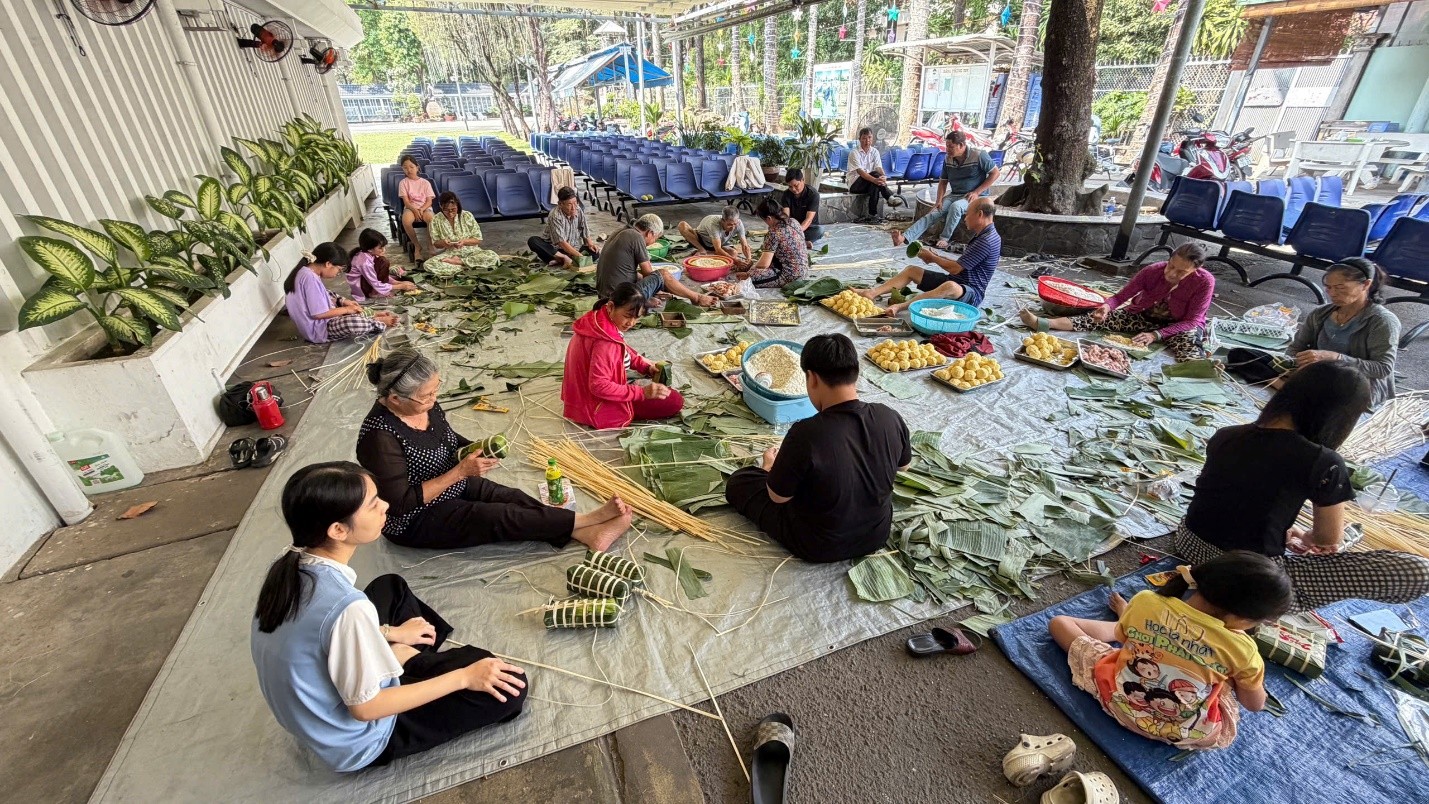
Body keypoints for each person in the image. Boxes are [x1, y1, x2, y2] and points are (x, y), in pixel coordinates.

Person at [251, 461, 529, 772]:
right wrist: (464, 677)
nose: (385, 505)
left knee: (390, 587)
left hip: (327, 697)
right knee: (508, 684)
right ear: (338, 530)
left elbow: (322, 634)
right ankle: (405, 659)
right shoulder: (349, 609)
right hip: (359, 738)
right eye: (373, 504)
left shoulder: (289, 560)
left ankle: (400, 654)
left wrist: (388, 634)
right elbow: (365, 708)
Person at [1174, 361, 1429, 610]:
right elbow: (1328, 539)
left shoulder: (1227, 434)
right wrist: (1307, 536)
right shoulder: (1323, 461)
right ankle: (1252, 606)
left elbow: (1235, 493)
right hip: (1246, 575)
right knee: (1416, 572)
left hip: (1189, 542)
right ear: (1340, 416)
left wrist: (1282, 528)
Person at [356, 349, 632, 551]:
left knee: (510, 497)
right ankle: (589, 520)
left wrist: (474, 449)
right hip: (415, 518)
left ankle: (585, 535)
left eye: (435, 391)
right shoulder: (379, 438)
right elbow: (400, 503)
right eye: (426, 396)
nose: (433, 399)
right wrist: (460, 473)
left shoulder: (423, 404)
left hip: (453, 481)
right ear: (394, 399)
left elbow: (444, 437)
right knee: (494, 517)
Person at [1049, 552, 1292, 751]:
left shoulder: (1146, 601)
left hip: (1117, 701)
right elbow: (1255, 704)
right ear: (1242, 618)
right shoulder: (1244, 651)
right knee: (1224, 687)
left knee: (1060, 623)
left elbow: (1123, 641)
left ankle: (1126, 624)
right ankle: (1130, 626)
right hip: (1186, 733)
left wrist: (1135, 619)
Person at [725, 334, 911, 562]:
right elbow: (904, 466)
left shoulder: (806, 433)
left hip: (818, 545)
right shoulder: (889, 416)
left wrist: (769, 468)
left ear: (811, 378)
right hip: (876, 534)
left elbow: (777, 498)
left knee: (740, 481)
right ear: (855, 373)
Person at [1018, 243, 1213, 362]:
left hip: (1178, 326)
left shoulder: (1204, 282)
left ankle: (1203, 368)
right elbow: (1120, 297)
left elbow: (1193, 320)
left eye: (1181, 272)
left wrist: (1156, 335)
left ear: (1196, 269)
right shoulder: (1153, 270)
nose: (1171, 273)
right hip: (1143, 317)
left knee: (1188, 344)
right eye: (1171, 266)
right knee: (1097, 318)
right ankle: (1042, 323)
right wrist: (1106, 307)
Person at [562, 283, 685, 430]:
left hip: (577, 401)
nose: (631, 323)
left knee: (659, 391)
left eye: (636, 318)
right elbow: (599, 386)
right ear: (611, 306)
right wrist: (641, 393)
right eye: (627, 316)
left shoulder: (598, 319)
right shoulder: (605, 343)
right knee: (674, 401)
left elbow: (622, 348)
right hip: (594, 407)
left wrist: (643, 365)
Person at [1282, 258, 1400, 408]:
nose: (1333, 293)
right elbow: (1295, 347)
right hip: (1320, 376)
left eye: (1340, 287)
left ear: (1366, 284)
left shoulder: (1382, 321)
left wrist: (1336, 358)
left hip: (1357, 387)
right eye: (1328, 287)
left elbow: (1382, 368)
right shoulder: (1320, 314)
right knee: (1254, 363)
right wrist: (1296, 365)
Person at [859, 198, 1002, 311]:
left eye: (968, 213)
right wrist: (935, 257)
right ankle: (872, 293)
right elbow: (962, 264)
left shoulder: (987, 240)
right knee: (912, 270)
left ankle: (901, 307)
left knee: (950, 286)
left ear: (980, 214)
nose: (965, 218)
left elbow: (956, 268)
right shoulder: (984, 235)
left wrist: (934, 258)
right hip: (957, 280)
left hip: (970, 293)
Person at [892, 130, 1000, 250]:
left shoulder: (979, 155)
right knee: (934, 212)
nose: (947, 149)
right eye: (946, 146)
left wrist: (977, 192)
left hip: (974, 196)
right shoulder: (947, 159)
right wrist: (939, 201)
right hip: (955, 194)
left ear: (962, 145)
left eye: (951, 147)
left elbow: (995, 173)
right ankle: (905, 237)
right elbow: (943, 182)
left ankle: (944, 238)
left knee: (956, 207)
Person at [284, 243, 397, 343]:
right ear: (328, 264)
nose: (337, 274)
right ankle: (378, 322)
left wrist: (343, 302)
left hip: (320, 321)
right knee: (353, 322)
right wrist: (346, 310)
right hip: (319, 330)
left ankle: (371, 316)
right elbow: (318, 314)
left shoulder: (307, 272)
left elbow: (323, 295)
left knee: (342, 302)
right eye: (338, 270)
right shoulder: (309, 278)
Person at [595, 214, 716, 307]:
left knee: (643, 276)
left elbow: (629, 272)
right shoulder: (636, 237)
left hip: (604, 295)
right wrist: (662, 285)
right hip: (618, 298)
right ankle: (697, 298)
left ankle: (644, 299)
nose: (654, 242)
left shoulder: (620, 232)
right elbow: (649, 273)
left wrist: (652, 291)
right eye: (656, 238)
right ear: (650, 233)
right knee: (663, 274)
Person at [735, 198, 811, 289]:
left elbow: (764, 264)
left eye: (765, 220)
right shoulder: (794, 222)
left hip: (791, 276)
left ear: (769, 218)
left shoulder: (774, 232)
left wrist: (750, 270)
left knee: (750, 276)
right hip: (804, 271)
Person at [423, 192, 499, 273]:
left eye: (453, 209)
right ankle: (469, 266)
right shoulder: (436, 220)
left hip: (472, 252)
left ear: (457, 206)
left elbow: (478, 239)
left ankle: (460, 263)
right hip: (451, 254)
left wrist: (464, 242)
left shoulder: (467, 215)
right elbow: (436, 244)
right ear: (441, 206)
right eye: (446, 210)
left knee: (493, 257)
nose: (450, 213)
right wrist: (444, 243)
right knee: (428, 264)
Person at [528, 187, 601, 268]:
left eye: (575, 202)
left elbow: (585, 229)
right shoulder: (555, 215)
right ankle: (563, 258)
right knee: (533, 241)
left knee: (595, 253)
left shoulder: (578, 209)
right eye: (569, 204)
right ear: (560, 204)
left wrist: (590, 244)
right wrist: (581, 257)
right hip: (555, 250)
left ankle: (561, 260)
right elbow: (561, 243)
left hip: (573, 248)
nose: (573, 207)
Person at [847, 127, 902, 222]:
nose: (867, 140)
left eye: (869, 137)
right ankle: (889, 196)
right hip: (855, 184)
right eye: (864, 138)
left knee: (875, 184)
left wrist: (883, 177)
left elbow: (878, 167)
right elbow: (861, 172)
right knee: (875, 177)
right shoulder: (854, 153)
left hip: (869, 182)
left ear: (872, 139)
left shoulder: (875, 152)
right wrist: (876, 179)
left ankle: (873, 214)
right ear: (859, 139)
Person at [348, 229, 417, 303]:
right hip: (362, 289)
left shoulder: (369, 254)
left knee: (392, 269)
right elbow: (374, 282)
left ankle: (383, 288)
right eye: (380, 248)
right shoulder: (364, 263)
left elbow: (377, 273)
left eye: (384, 247)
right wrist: (401, 286)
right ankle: (373, 292)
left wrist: (397, 282)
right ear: (370, 249)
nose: (384, 250)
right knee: (384, 262)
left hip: (367, 281)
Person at [676, 206, 753, 268]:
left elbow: (745, 246)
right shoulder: (714, 223)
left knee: (733, 253)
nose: (733, 227)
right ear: (722, 221)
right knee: (682, 225)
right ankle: (701, 250)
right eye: (729, 224)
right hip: (701, 240)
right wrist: (736, 261)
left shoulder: (739, 223)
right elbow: (718, 249)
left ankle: (708, 253)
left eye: (735, 224)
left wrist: (749, 259)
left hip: (718, 244)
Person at [398, 157, 436, 261]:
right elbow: (406, 202)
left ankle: (430, 245)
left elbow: (429, 201)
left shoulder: (425, 183)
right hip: (410, 208)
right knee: (406, 220)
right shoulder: (403, 183)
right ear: (402, 169)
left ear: (417, 167)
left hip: (425, 207)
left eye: (411, 167)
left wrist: (422, 209)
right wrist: (415, 210)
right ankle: (417, 246)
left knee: (431, 219)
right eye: (405, 168)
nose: (409, 170)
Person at [782, 168, 823, 246]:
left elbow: (809, 219)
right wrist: (788, 229)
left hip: (808, 227)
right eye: (790, 187)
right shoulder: (786, 194)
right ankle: (801, 242)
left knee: (819, 231)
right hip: (793, 226)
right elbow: (785, 216)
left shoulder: (813, 194)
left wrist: (796, 233)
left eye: (796, 185)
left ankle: (794, 241)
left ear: (803, 180)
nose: (793, 189)